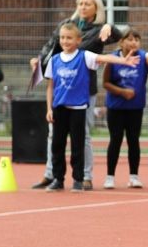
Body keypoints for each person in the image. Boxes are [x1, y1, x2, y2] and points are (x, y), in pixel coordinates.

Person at [30, 0, 119, 190]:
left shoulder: (98, 30)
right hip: (60, 87)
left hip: (83, 90)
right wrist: (40, 62)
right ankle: (51, 174)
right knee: (54, 136)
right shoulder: (66, 23)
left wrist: (108, 27)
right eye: (80, 3)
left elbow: (118, 36)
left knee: (82, 135)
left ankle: (85, 176)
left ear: (97, 8)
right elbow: (51, 46)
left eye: (88, 4)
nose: (83, 7)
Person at [44, 23, 140, 192]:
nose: (65, 41)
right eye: (62, 38)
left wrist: (122, 60)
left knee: (77, 145)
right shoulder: (55, 60)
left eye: (69, 38)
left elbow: (103, 58)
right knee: (57, 145)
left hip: (78, 108)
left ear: (78, 40)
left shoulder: (84, 56)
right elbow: (50, 86)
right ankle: (58, 179)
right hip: (59, 108)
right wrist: (49, 109)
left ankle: (78, 179)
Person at [101, 29, 148, 189]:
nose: (134, 43)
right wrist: (122, 92)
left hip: (135, 107)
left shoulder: (144, 56)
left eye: (137, 39)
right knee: (115, 140)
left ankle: (134, 176)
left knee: (134, 141)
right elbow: (105, 83)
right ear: (121, 42)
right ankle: (110, 176)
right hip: (116, 107)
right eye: (130, 39)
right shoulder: (113, 59)